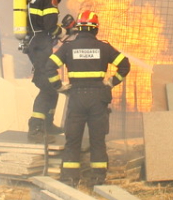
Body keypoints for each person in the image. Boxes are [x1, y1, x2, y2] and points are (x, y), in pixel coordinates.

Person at [42, 10, 131, 187]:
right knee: (97, 140)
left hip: (76, 97)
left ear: (79, 28)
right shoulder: (104, 47)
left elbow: (50, 66)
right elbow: (124, 65)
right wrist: (111, 82)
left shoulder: (68, 47)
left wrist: (59, 86)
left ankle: (69, 178)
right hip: (98, 98)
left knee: (73, 140)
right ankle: (97, 179)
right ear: (95, 28)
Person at [23, 0, 70, 141]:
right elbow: (50, 26)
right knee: (47, 87)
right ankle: (36, 129)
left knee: (51, 86)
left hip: (35, 44)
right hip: (40, 46)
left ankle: (48, 125)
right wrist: (65, 32)